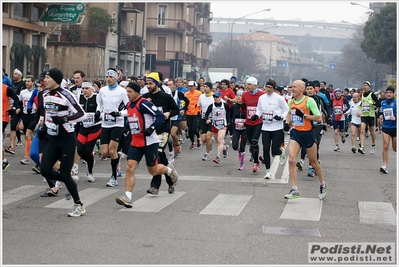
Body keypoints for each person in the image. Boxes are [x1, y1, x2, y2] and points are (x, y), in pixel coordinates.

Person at [115, 82, 178, 208]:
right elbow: (133, 117)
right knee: (129, 167)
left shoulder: (144, 103)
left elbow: (160, 116)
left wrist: (151, 128)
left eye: (130, 92)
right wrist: (127, 128)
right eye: (126, 91)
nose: (127, 94)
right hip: (136, 142)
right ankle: (127, 197)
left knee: (153, 171)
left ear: (137, 92)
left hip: (149, 142)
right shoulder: (129, 104)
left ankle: (169, 170)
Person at [40, 68, 87, 217]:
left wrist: (64, 120)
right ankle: (71, 180)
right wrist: (43, 126)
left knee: (65, 174)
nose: (44, 80)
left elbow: (82, 114)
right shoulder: (45, 94)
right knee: (45, 170)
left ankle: (79, 205)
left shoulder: (66, 94)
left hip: (67, 138)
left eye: (47, 78)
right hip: (52, 138)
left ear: (55, 79)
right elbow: (48, 113)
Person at [284, 80, 327, 200]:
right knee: (292, 160)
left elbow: (318, 118)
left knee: (314, 162)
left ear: (302, 89)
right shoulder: (291, 101)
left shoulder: (309, 101)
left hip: (308, 133)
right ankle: (294, 190)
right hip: (296, 133)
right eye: (291, 87)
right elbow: (289, 113)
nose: (292, 89)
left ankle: (322, 184)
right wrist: (286, 123)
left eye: (295, 87)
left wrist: (304, 116)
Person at [142, 72, 179, 195]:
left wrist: (169, 114)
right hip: (150, 132)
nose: (148, 86)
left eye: (151, 83)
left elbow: (176, 109)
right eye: (147, 83)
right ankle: (171, 178)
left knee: (156, 155)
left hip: (163, 131)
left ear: (157, 83)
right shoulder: (145, 97)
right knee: (160, 158)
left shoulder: (166, 97)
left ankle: (155, 186)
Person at [96, 68, 129, 187]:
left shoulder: (122, 91)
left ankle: (114, 177)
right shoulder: (102, 90)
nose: (109, 79)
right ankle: (117, 156)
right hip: (105, 123)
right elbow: (99, 104)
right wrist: (98, 112)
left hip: (117, 123)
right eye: (107, 77)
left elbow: (129, 108)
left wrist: (120, 113)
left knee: (111, 150)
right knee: (104, 153)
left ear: (116, 78)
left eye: (111, 77)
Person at [253, 80, 288, 179]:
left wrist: (281, 117)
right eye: (266, 87)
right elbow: (259, 110)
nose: (268, 89)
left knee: (275, 150)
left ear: (274, 88)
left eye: (270, 88)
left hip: (277, 127)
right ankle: (268, 171)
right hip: (266, 127)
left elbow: (286, 110)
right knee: (266, 149)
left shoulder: (279, 98)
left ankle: (281, 153)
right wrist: (256, 115)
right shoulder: (261, 98)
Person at [77, 82, 102, 182]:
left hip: (95, 127)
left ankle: (90, 172)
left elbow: (101, 107)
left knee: (88, 150)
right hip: (83, 127)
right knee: (79, 150)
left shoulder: (97, 97)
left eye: (87, 88)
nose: (84, 91)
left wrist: (98, 113)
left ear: (92, 89)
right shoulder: (80, 97)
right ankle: (90, 159)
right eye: (83, 89)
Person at [240, 77, 264, 172]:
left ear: (255, 85)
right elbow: (243, 109)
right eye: (246, 84)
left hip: (258, 121)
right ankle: (256, 159)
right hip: (248, 121)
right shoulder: (244, 95)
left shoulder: (262, 95)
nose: (247, 86)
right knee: (251, 143)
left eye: (249, 84)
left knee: (254, 141)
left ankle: (255, 162)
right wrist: (241, 107)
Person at [204, 91, 230, 164]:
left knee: (219, 140)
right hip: (215, 125)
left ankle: (218, 157)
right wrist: (207, 119)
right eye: (214, 97)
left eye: (217, 97)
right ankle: (225, 148)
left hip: (223, 125)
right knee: (218, 141)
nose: (215, 98)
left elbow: (229, 114)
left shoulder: (225, 105)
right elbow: (206, 114)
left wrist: (229, 122)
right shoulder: (211, 106)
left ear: (220, 97)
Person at [5, 68, 26, 154]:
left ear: (20, 75)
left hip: (22, 108)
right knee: (13, 127)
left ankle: (29, 146)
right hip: (14, 108)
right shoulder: (13, 85)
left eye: (16, 74)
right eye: (13, 74)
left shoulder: (23, 85)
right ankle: (12, 147)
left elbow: (21, 98)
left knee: (23, 128)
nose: (14, 75)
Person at [167, 79, 189, 159]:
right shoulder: (166, 94)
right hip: (168, 116)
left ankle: (177, 146)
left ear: (174, 85)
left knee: (173, 133)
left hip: (177, 116)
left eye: (170, 85)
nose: (169, 86)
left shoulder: (178, 94)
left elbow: (187, 101)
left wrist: (183, 109)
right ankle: (176, 148)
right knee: (170, 136)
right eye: (167, 85)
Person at [18, 75, 37, 165]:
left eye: (29, 81)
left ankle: (26, 157)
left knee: (28, 134)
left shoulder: (36, 92)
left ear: (33, 82)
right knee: (30, 135)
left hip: (33, 114)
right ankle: (34, 150)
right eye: (26, 81)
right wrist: (20, 115)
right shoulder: (23, 92)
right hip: (25, 114)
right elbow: (20, 103)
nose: (27, 83)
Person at [358, 81, 379, 154]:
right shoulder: (363, 95)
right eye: (364, 85)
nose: (365, 86)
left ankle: (373, 145)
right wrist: (359, 110)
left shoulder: (372, 94)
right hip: (364, 115)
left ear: (369, 87)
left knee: (372, 132)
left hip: (370, 115)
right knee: (362, 130)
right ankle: (362, 147)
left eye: (366, 85)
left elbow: (378, 104)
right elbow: (362, 104)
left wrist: (372, 103)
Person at [379, 86, 396, 174]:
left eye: (390, 92)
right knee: (385, 146)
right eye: (387, 92)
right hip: (386, 127)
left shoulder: (396, 103)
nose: (388, 94)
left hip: (395, 127)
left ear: (393, 94)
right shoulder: (383, 103)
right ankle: (384, 165)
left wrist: (396, 118)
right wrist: (381, 116)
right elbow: (382, 113)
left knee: (395, 148)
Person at [2, 83, 19, 170]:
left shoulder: (6, 88)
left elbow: (16, 99)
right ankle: (4, 161)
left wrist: (13, 108)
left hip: (3, 117)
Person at [197, 81, 214, 161]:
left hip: (212, 119)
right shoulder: (201, 97)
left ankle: (206, 154)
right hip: (203, 118)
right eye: (204, 86)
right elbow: (199, 106)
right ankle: (210, 145)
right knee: (203, 139)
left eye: (207, 87)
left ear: (210, 88)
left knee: (208, 136)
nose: (205, 88)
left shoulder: (214, 96)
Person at [184, 81, 202, 149]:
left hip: (196, 113)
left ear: (195, 86)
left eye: (192, 86)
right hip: (188, 113)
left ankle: (198, 137)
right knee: (190, 130)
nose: (190, 88)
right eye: (189, 86)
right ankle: (193, 143)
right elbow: (184, 103)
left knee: (194, 129)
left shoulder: (199, 93)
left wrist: (200, 111)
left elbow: (201, 103)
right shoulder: (186, 94)